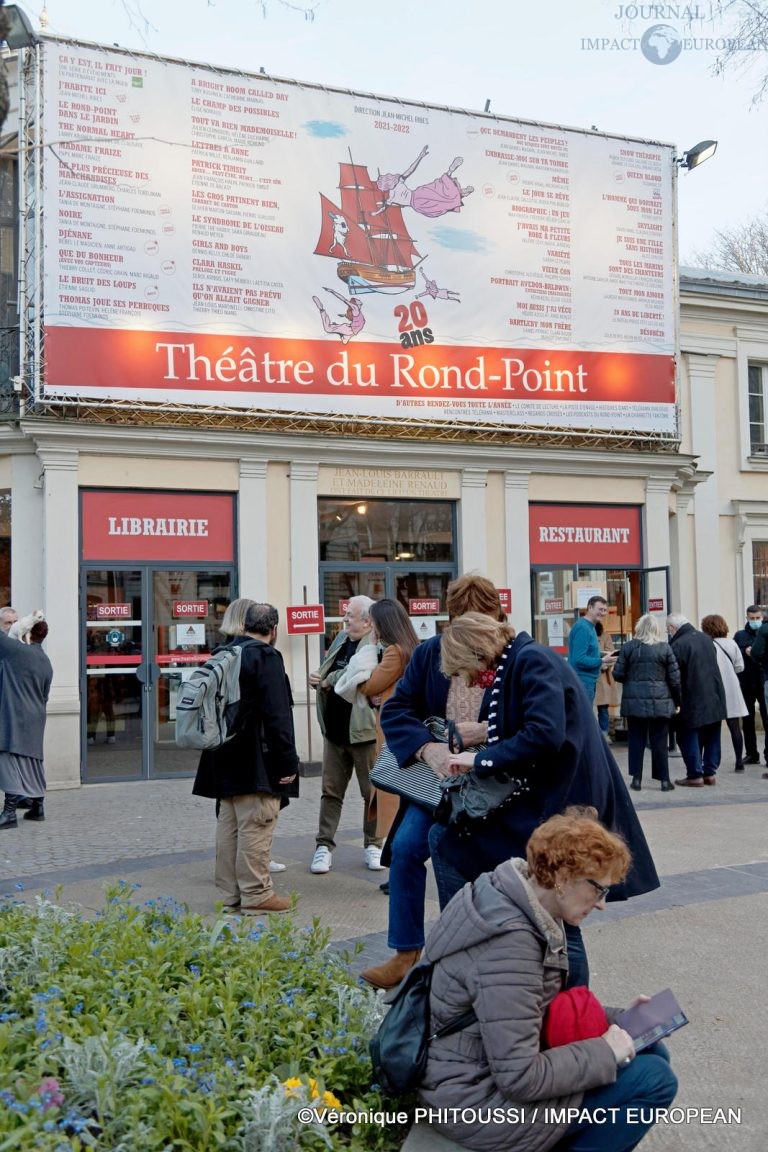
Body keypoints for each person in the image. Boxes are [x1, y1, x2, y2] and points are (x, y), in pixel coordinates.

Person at [419, 808, 677, 1152]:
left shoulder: (508, 894)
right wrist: (605, 1051)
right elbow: (520, 1078)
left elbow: (528, 1008)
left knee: (649, 1046)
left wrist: (619, 1019)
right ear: (564, 879)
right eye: (599, 890)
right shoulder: (512, 946)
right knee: (654, 1080)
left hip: (474, 1072)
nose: (601, 905)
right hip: (474, 1102)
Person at [436, 613, 660, 987]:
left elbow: (544, 732)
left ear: (478, 650)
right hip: (557, 795)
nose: (469, 679)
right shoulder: (522, 659)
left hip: (565, 800)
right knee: (545, 894)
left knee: (555, 899)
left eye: (465, 668)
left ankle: (562, 996)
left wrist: (481, 759)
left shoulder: (531, 660)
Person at [363, 574, 503, 989]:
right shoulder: (428, 654)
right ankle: (406, 952)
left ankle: (480, 953)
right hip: (437, 785)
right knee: (406, 848)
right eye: (463, 619)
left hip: (498, 782)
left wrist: (488, 736)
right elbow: (397, 711)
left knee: (479, 863)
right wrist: (429, 749)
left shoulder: (514, 655)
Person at [192, 601, 299, 913]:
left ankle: (230, 895)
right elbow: (278, 717)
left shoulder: (224, 653)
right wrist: (288, 763)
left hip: (222, 755)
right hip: (257, 759)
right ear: (273, 629)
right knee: (257, 823)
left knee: (229, 827)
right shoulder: (265, 657)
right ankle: (257, 895)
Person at [309, 595, 382, 874]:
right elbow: (331, 668)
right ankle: (323, 847)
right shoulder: (340, 639)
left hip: (363, 733)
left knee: (371, 792)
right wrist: (319, 677)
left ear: (367, 621)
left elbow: (361, 676)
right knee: (330, 792)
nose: (345, 619)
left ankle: (374, 844)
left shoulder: (377, 644)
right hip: (335, 731)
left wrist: (328, 681)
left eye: (350, 615)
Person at [358, 598, 419, 845]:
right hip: (406, 728)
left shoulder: (395, 651)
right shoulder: (412, 646)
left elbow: (368, 684)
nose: (372, 628)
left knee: (391, 796)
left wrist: (371, 647)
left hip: (391, 731)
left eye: (373, 622)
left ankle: (395, 868)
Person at [612, 614, 681, 791]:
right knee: (659, 742)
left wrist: (632, 680)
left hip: (634, 702)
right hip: (660, 701)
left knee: (636, 740)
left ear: (638, 629)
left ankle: (636, 779)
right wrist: (678, 701)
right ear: (656, 629)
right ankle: (664, 780)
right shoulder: (665, 648)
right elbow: (674, 679)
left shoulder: (628, 648)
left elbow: (617, 674)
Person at [0, 618, 53, 828]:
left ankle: (9, 812)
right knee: (33, 761)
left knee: (6, 757)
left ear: (26, 633)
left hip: (14, 714)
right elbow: (45, 695)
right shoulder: (45, 659)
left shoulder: (16, 651)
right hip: (36, 715)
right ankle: (37, 807)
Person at [666, 613, 727, 787]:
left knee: (687, 735)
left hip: (691, 697)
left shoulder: (678, 644)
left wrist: (676, 700)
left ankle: (695, 774)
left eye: (668, 629)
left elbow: (675, 677)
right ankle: (710, 773)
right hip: (714, 696)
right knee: (712, 735)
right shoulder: (706, 639)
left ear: (672, 628)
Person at [371, 145, 474, 218]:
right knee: (439, 189)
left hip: (418, 204)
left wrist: (375, 214)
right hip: (419, 195)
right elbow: (411, 169)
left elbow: (383, 208)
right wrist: (420, 156)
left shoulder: (392, 197)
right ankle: (455, 182)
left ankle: (460, 191)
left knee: (440, 202)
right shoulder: (398, 182)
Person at [701, 614, 748, 772]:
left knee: (711, 727)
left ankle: (709, 761)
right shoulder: (732, 643)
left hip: (713, 688)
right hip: (731, 687)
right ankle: (738, 761)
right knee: (734, 726)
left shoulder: (706, 644)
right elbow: (740, 666)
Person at [733, 604, 768, 766]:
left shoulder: (765, 633)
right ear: (747, 618)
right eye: (752, 618)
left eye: (758, 618)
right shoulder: (740, 635)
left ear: (762, 617)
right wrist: (744, 650)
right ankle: (751, 753)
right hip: (746, 681)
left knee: (766, 718)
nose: (755, 621)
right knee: (747, 721)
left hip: (763, 680)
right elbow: (735, 653)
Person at [567, 596, 616, 702]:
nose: (603, 613)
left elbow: (587, 652)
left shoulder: (590, 626)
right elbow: (579, 659)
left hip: (586, 682)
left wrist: (602, 654)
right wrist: (602, 660)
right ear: (590, 608)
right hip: (582, 682)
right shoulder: (583, 628)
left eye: (605, 610)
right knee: (582, 718)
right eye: (600, 609)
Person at [594, 621, 619, 741]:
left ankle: (603, 734)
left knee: (603, 708)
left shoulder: (605, 636)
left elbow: (612, 654)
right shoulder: (583, 635)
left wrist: (605, 664)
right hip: (589, 676)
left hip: (602, 676)